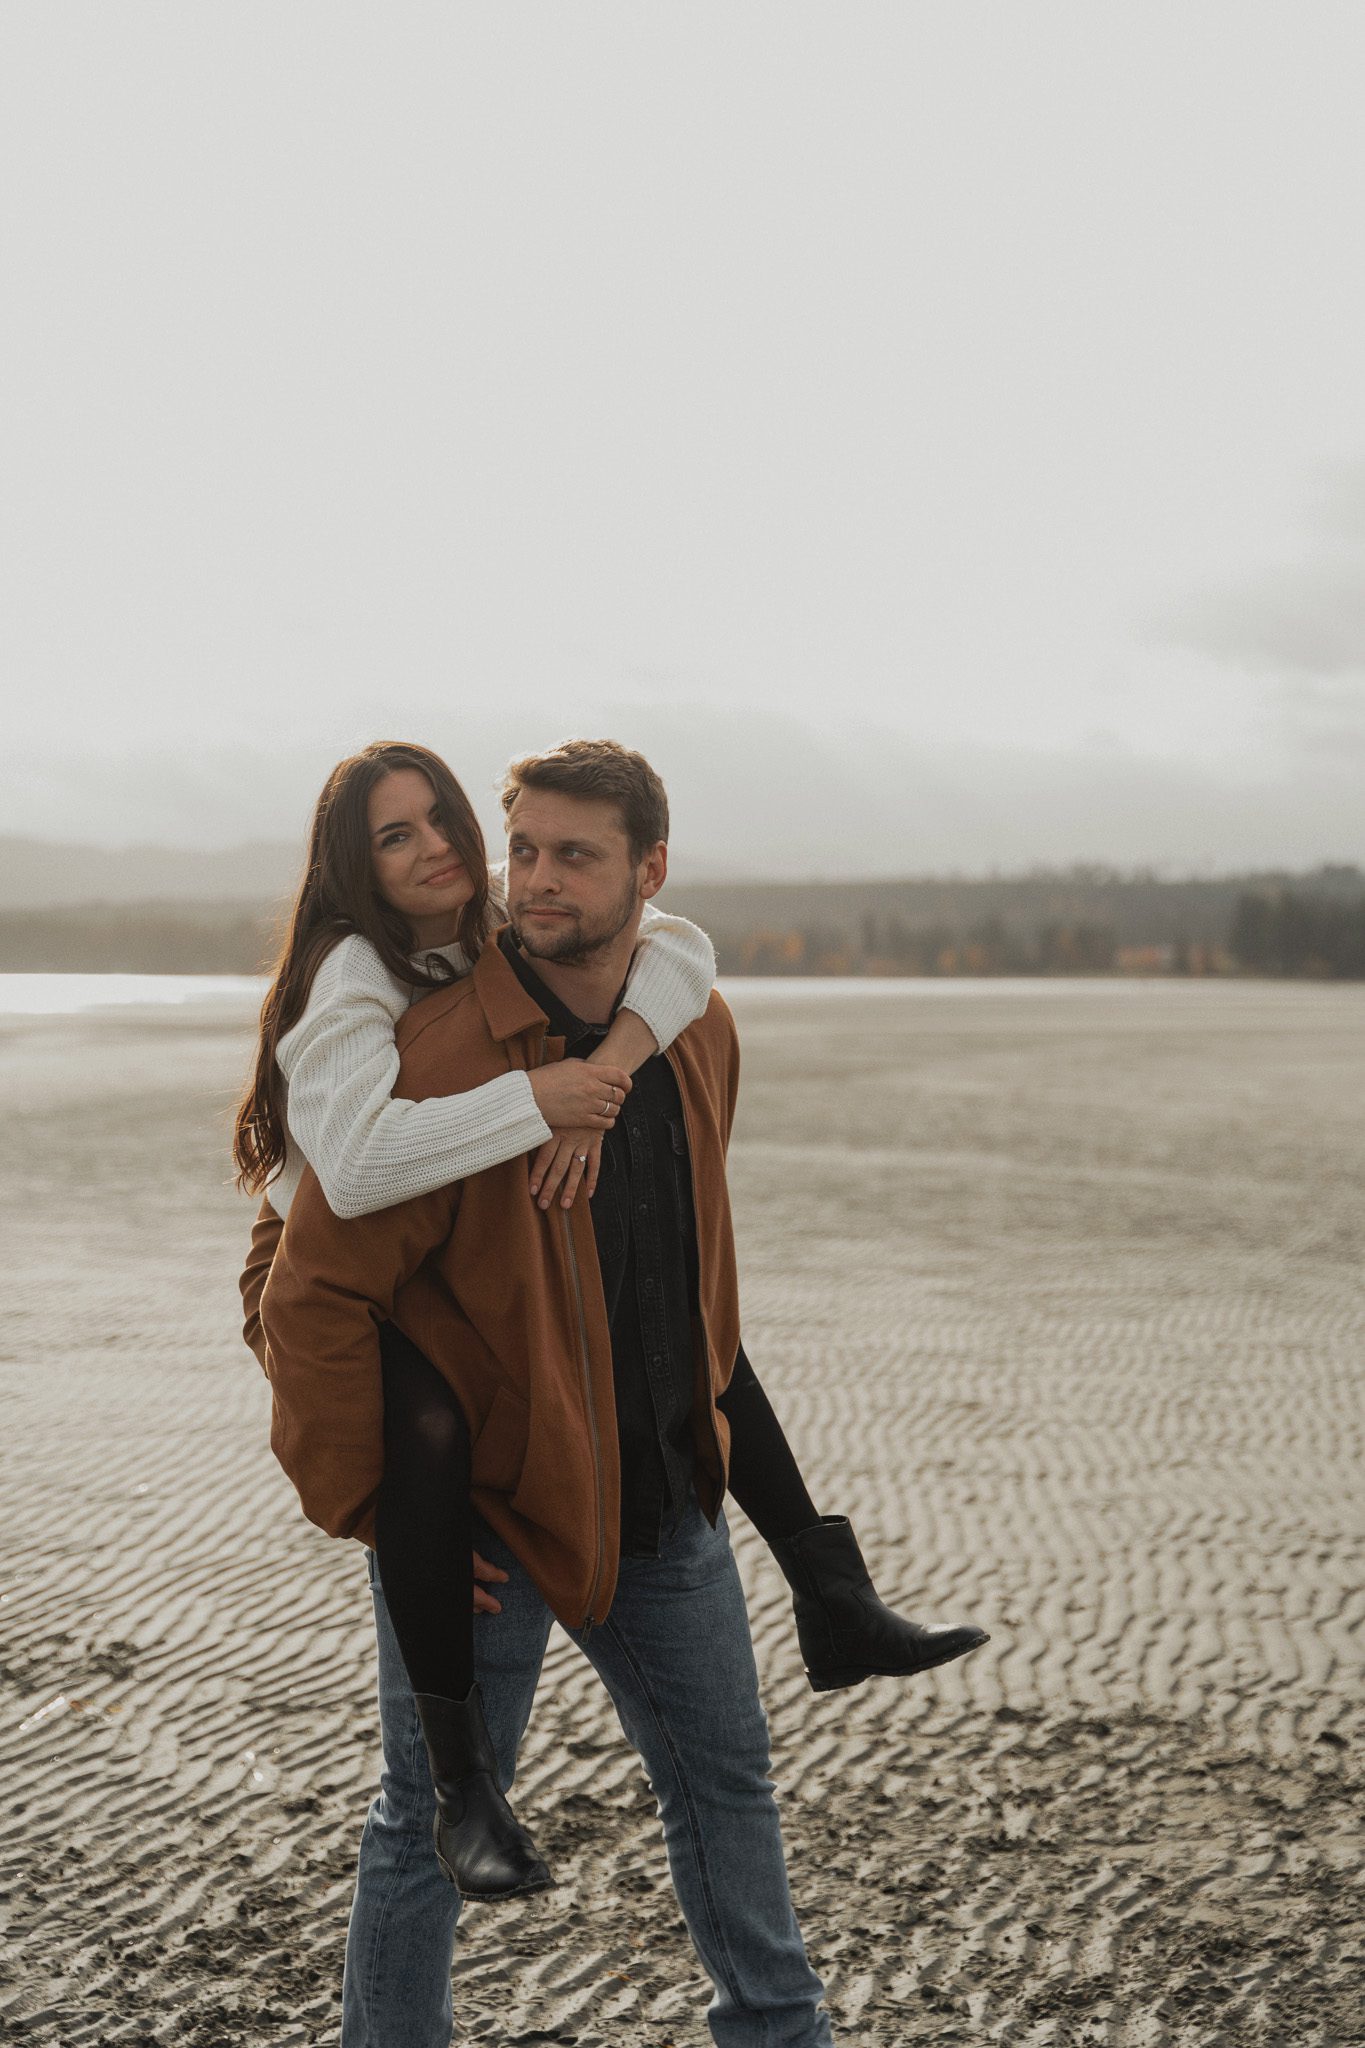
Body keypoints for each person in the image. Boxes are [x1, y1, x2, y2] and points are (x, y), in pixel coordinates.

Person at [252, 739, 988, 2047]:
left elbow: (685, 1240)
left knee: (726, 1790)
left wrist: (625, 1059)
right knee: (427, 1824)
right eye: (522, 848)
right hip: (491, 1513)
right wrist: (378, 1509)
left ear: (647, 869)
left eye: (572, 856)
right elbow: (311, 1291)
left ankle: (779, 2032)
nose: (533, 880)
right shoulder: (428, 1053)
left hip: (665, 1498)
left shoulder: (693, 1029)